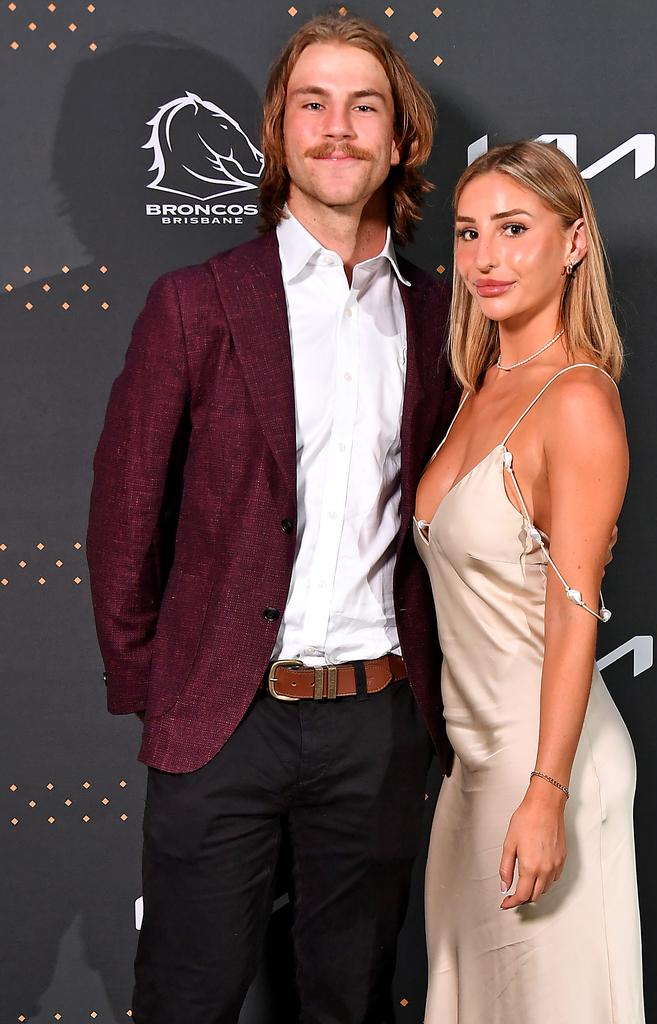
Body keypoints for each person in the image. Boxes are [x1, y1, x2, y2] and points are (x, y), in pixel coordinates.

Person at [86, 14, 458, 1023]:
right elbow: (123, 518)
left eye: (364, 105)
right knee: (187, 997)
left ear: (400, 141)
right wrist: (161, 690)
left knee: (348, 999)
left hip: (379, 724)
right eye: (313, 104)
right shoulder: (195, 302)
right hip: (223, 721)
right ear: (277, 133)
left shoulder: (441, 317)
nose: (338, 128)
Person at [413, 140, 645, 1023]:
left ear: (575, 239)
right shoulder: (481, 386)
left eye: (515, 229)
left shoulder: (578, 398)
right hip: (474, 766)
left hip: (545, 763)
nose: (486, 258)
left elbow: (576, 612)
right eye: (469, 234)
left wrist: (544, 793)